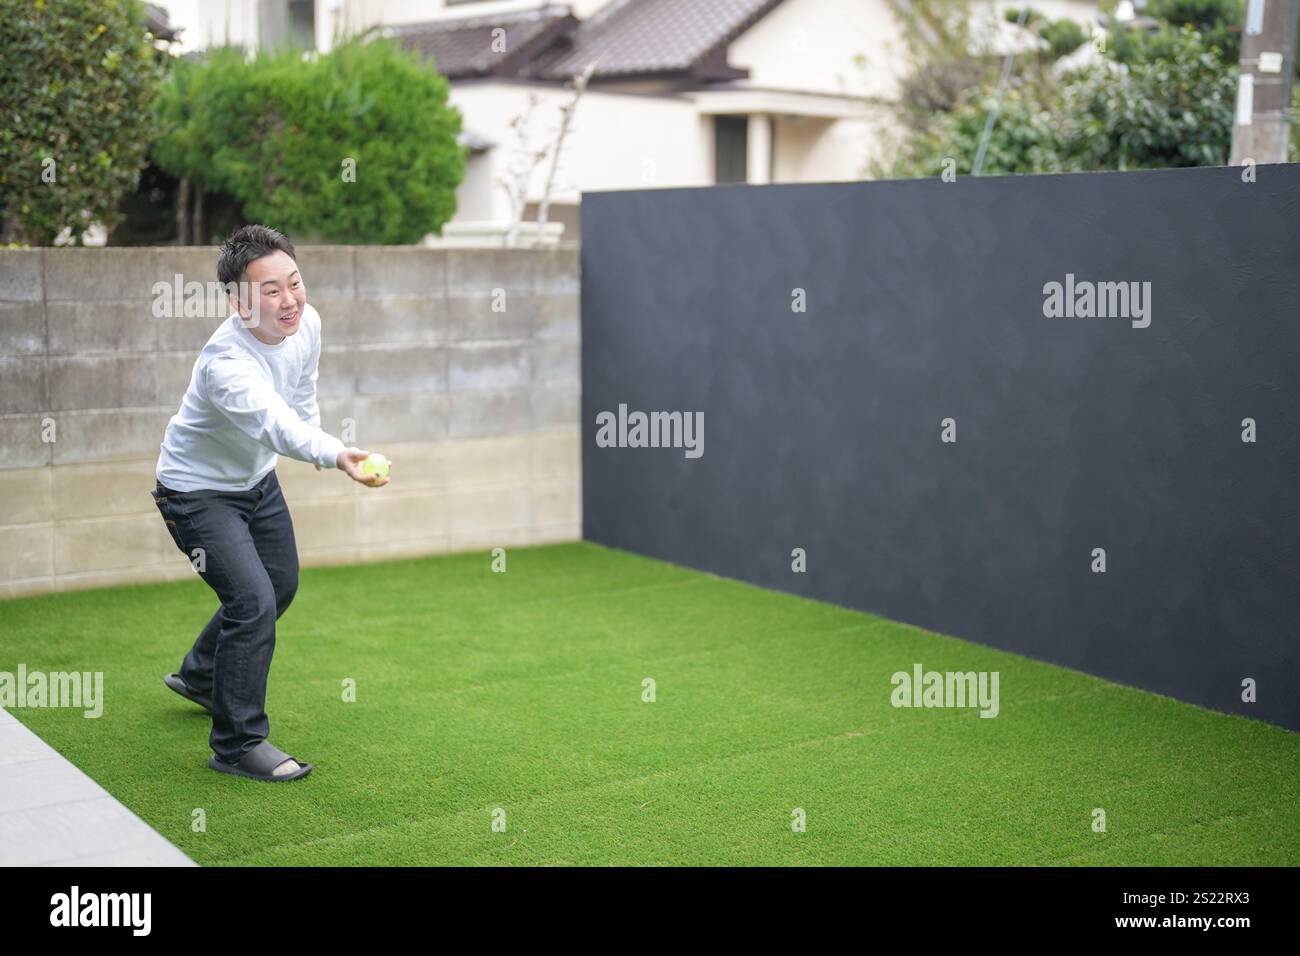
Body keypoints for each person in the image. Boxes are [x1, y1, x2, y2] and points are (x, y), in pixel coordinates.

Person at [152, 223, 389, 782]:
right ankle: (237, 744)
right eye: (272, 291)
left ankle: (204, 675)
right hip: (196, 492)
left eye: (295, 282)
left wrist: (319, 443)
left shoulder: (307, 323)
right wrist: (334, 454)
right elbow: (272, 421)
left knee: (280, 584)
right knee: (253, 600)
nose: (290, 300)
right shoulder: (225, 366)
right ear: (237, 302)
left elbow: (299, 396)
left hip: (254, 483)